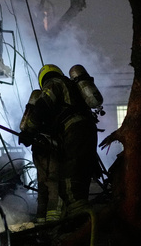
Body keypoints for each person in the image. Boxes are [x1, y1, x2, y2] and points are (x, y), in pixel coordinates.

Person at [18, 64, 98, 221]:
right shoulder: (73, 87)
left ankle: (79, 221)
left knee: (68, 178)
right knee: (81, 175)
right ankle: (82, 219)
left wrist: (29, 131)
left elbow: (43, 106)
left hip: (73, 130)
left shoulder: (54, 83)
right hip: (88, 130)